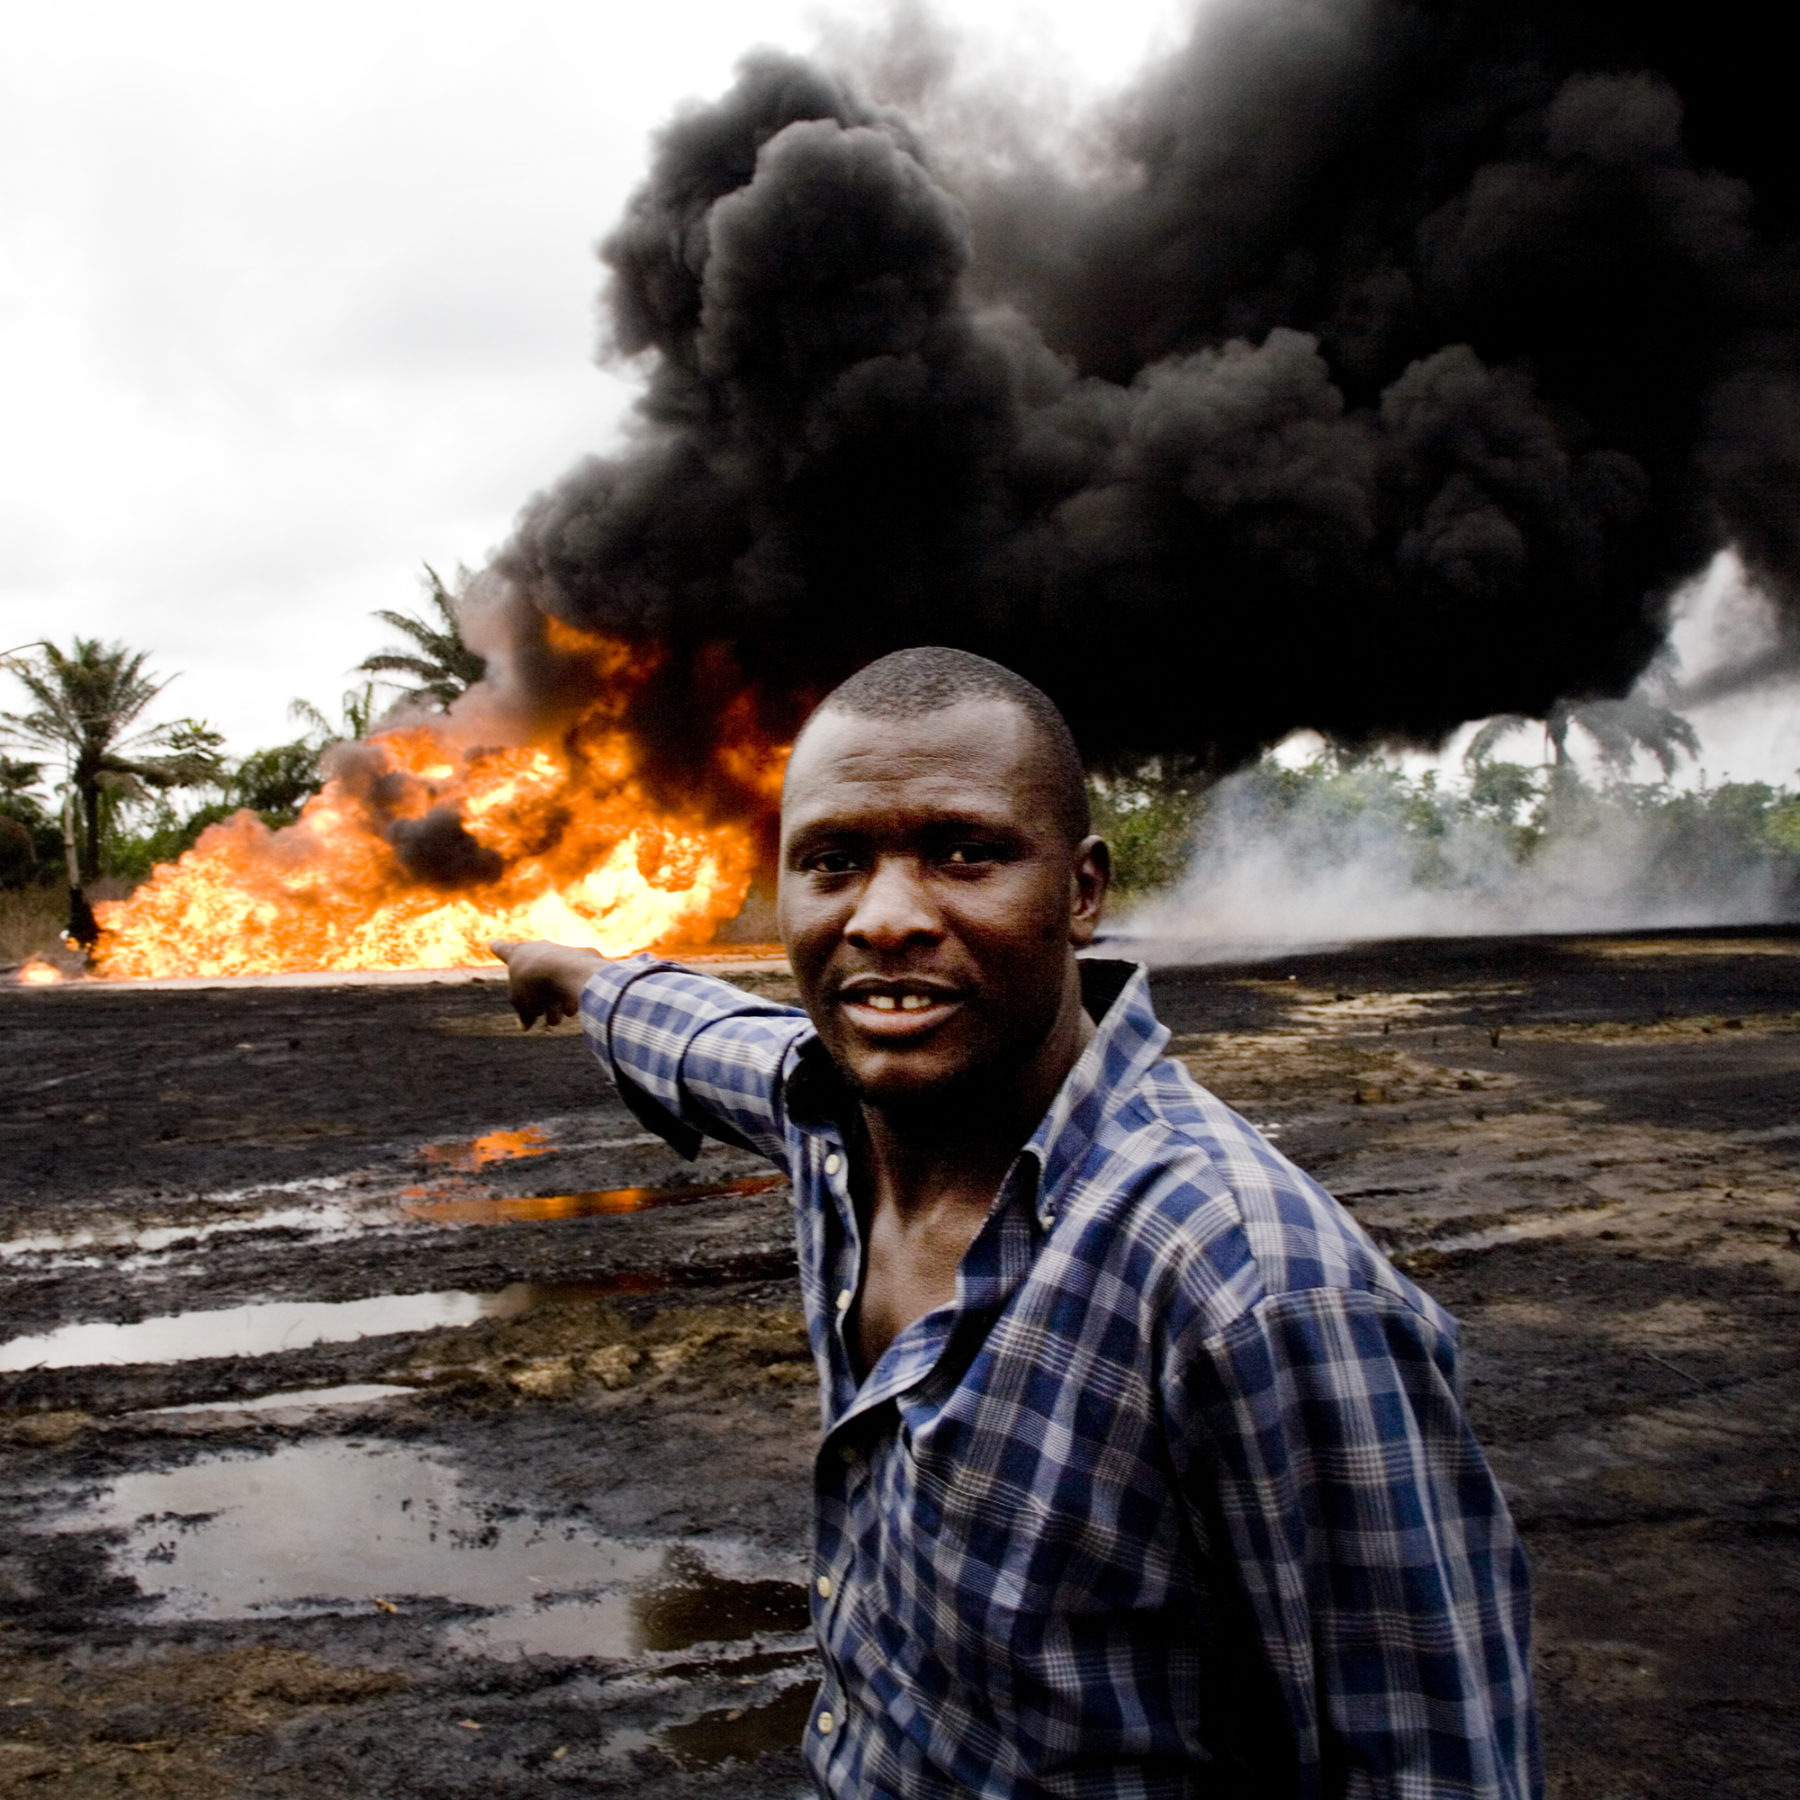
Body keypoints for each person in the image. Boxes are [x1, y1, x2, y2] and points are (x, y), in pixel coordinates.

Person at [493, 646, 1540, 1800]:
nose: (885, 918)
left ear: (1082, 892)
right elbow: (700, 1039)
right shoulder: (831, 1112)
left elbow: (1433, 1766)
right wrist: (576, 974)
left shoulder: (1257, 1291)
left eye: (965, 853)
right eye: (834, 862)